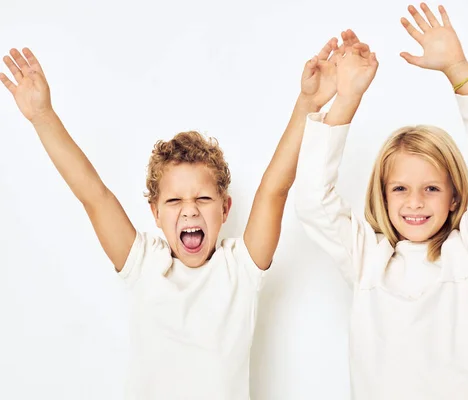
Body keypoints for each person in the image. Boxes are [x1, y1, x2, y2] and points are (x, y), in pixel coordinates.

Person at [0, 36, 344, 399]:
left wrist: (308, 103)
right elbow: (93, 195)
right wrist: (42, 116)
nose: (190, 209)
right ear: (156, 214)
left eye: (204, 198)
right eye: (175, 200)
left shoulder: (240, 266)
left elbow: (274, 188)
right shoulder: (144, 262)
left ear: (225, 208)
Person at [295, 3, 468, 399]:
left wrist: (458, 69)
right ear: (382, 197)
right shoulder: (368, 259)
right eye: (400, 189)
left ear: (455, 197)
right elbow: (312, 201)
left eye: (432, 188)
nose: (415, 202)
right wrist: (346, 100)